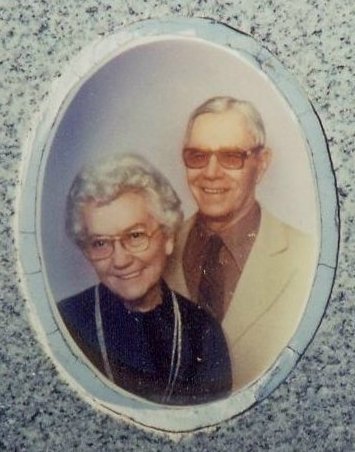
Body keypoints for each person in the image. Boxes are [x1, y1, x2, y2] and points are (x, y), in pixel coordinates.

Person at [164, 96, 317, 390]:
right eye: (197, 156)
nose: (210, 172)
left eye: (231, 157)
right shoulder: (154, 254)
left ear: (261, 164)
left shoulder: (305, 255)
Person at [58, 153, 232, 405]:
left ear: (169, 236)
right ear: (87, 251)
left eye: (135, 236)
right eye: (100, 243)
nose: (120, 260)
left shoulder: (203, 332)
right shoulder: (65, 323)